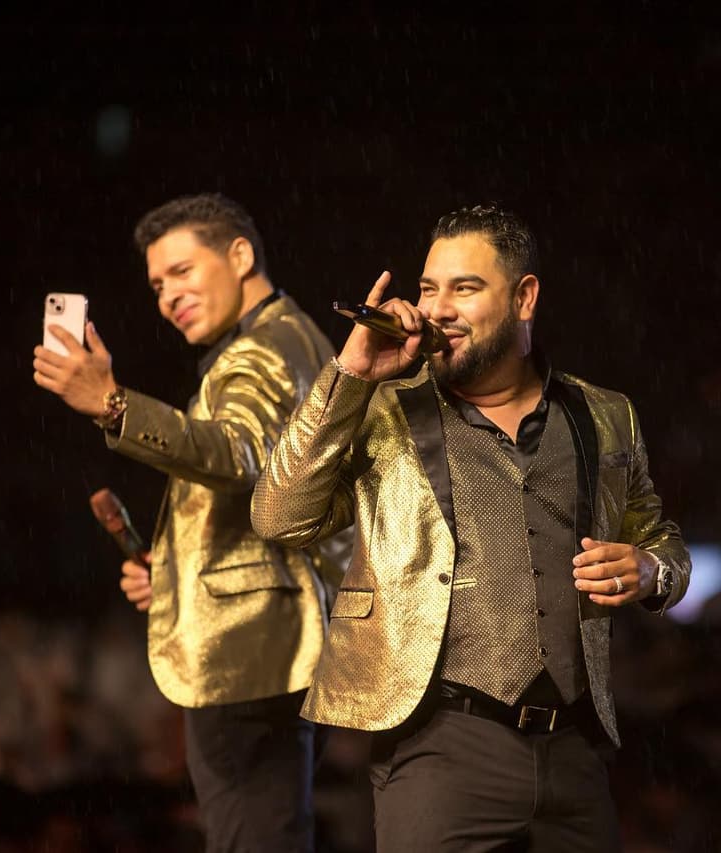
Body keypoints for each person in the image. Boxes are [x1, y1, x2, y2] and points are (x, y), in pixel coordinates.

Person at [252, 203, 690, 852]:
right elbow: (279, 517)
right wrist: (351, 376)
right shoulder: (379, 407)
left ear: (524, 298)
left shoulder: (604, 415)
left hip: (575, 750)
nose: (437, 309)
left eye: (465, 288)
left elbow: (659, 537)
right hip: (438, 747)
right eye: (429, 289)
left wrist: (653, 571)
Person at [32, 193, 342, 852]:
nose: (168, 296)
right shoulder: (295, 336)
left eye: (181, 271)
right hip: (280, 643)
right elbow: (276, 494)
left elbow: (239, 454)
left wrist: (112, 405)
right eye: (156, 285)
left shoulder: (259, 350)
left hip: (248, 653)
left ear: (240, 255)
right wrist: (174, 572)